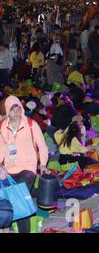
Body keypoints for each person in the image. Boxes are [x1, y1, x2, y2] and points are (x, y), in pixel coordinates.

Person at [0, 96, 49, 233]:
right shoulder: (3, 126)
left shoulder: (31, 124)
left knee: (19, 199)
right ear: (7, 111)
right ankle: (38, 193)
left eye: (18, 108)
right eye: (12, 109)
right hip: (9, 168)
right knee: (9, 198)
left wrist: (43, 164)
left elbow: (42, 146)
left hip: (28, 167)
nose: (16, 112)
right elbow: (2, 148)